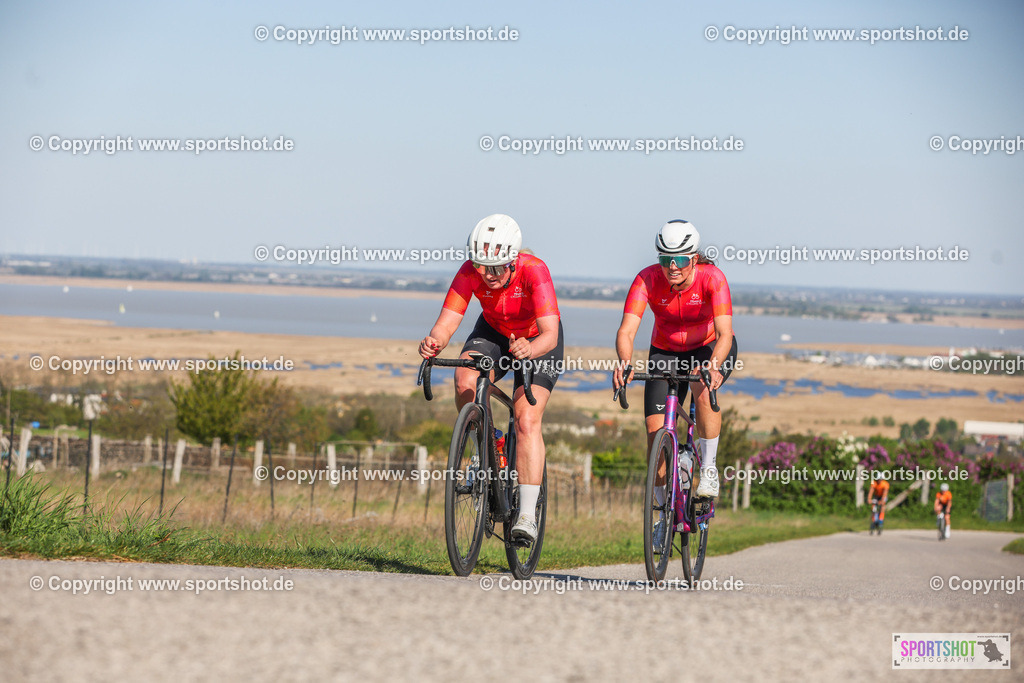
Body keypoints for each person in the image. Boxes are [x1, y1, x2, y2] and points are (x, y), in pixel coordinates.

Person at [419, 214, 563, 543]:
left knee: (526, 418)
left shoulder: (534, 270)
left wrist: (530, 348)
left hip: (536, 339)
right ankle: (485, 445)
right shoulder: (470, 272)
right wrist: (434, 342)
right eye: (481, 267)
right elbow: (447, 322)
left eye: (496, 268)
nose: (488, 275)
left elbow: (551, 334)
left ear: (513, 261)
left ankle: (527, 514)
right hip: (494, 331)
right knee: (464, 381)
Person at [613, 220, 738, 514]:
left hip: (708, 347)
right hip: (665, 350)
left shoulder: (713, 278)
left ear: (694, 259)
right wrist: (625, 362)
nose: (672, 267)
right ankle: (660, 514)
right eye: (665, 259)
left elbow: (725, 333)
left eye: (680, 260)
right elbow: (627, 331)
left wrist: (713, 367)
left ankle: (708, 469)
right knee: (654, 431)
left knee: (701, 385)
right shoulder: (646, 279)